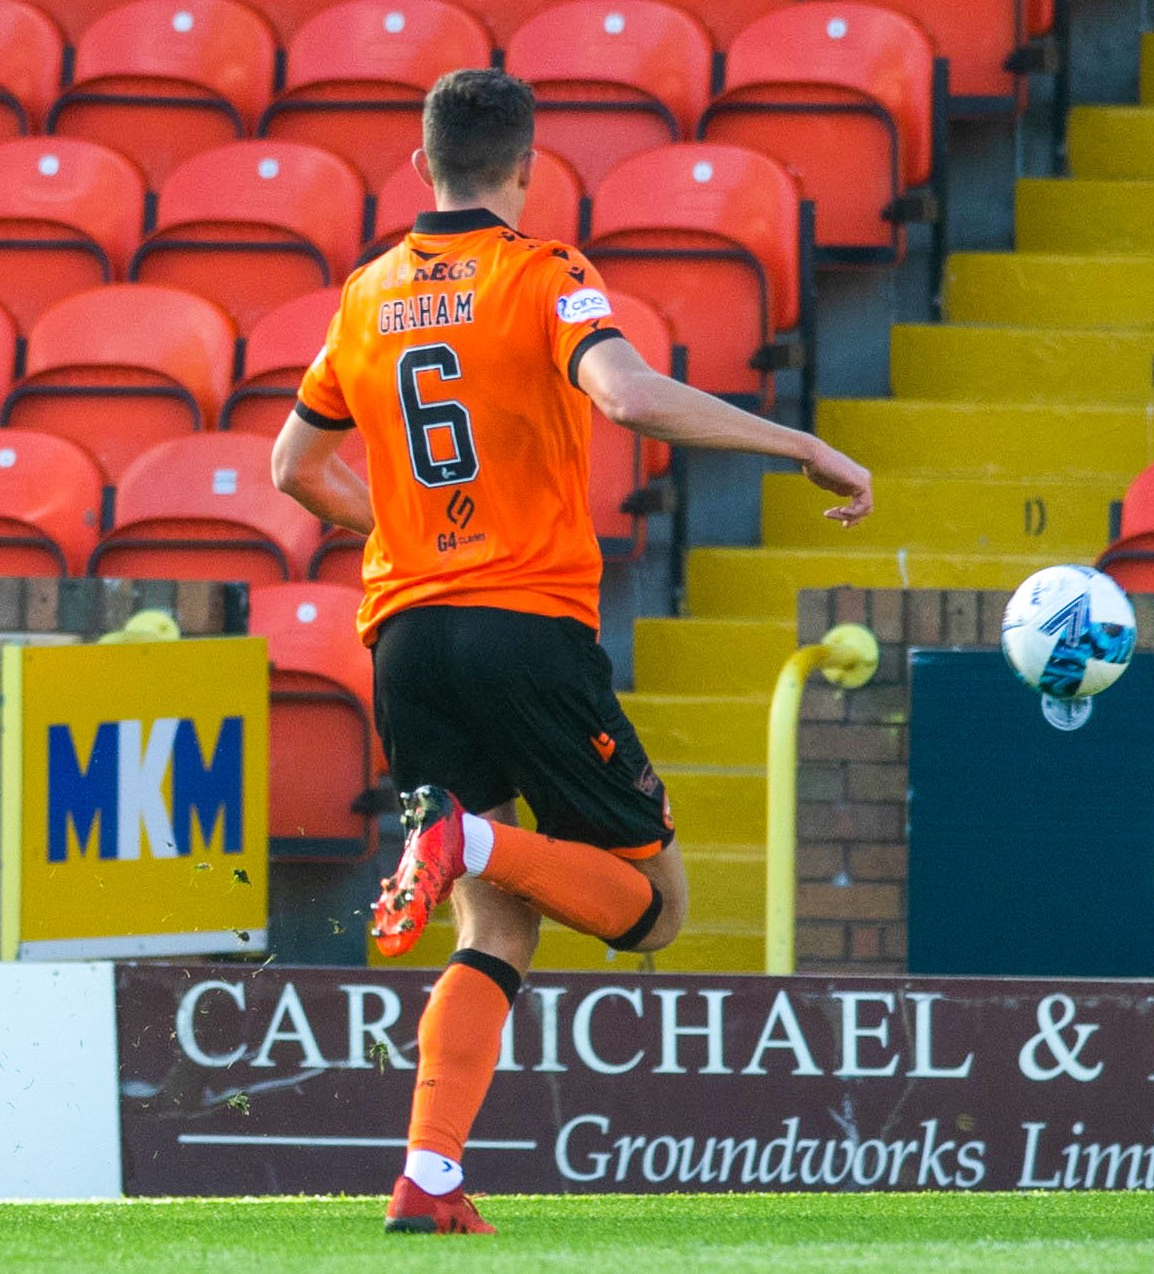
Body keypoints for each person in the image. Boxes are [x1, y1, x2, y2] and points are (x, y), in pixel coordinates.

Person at [270, 69, 873, 1234]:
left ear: (419, 166)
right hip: (523, 627)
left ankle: (427, 1176)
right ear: (528, 168)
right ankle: (471, 836)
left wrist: (399, 525)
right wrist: (796, 440)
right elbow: (629, 397)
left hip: (404, 637)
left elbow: (290, 469)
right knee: (651, 909)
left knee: (494, 921)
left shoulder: (365, 295)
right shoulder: (544, 274)